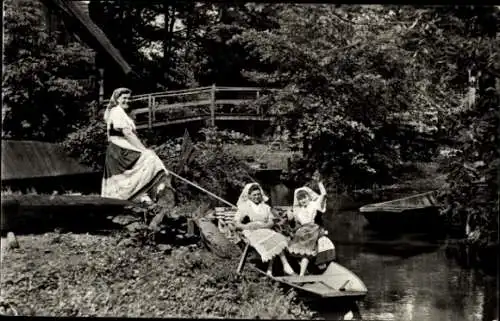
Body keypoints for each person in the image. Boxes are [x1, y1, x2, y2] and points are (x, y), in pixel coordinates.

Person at [101, 87, 172, 203]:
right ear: (117, 99)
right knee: (150, 158)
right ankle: (142, 194)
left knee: (148, 159)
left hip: (120, 148)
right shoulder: (117, 111)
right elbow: (127, 133)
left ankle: (142, 195)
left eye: (129, 98)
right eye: (124, 98)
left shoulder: (121, 112)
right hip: (119, 150)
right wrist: (143, 150)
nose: (127, 101)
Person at [234, 183, 296, 276]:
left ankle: (272, 270)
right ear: (249, 196)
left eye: (258, 194)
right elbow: (236, 223)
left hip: (265, 230)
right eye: (254, 195)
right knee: (273, 239)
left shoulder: (265, 207)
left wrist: (263, 226)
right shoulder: (245, 207)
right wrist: (247, 226)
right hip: (251, 232)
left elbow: (271, 222)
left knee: (278, 238)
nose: (257, 197)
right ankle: (284, 267)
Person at [287, 172, 333, 276]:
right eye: (300, 199)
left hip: (312, 229)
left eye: (305, 197)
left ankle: (302, 274)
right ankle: (302, 268)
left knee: (307, 249)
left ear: (309, 197)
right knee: (295, 248)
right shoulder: (298, 210)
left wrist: (319, 182)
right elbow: (294, 221)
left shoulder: (314, 204)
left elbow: (323, 195)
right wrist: (290, 215)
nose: (303, 200)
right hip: (302, 230)